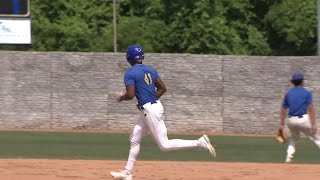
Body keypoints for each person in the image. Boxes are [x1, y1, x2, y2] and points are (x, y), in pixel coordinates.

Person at [110, 45, 216, 180]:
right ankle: (127, 173)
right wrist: (150, 99)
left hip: (150, 110)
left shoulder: (130, 73)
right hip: (151, 108)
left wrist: (120, 97)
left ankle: (199, 142)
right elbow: (163, 88)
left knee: (164, 145)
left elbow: (130, 94)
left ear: (128, 58)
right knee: (135, 137)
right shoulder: (150, 70)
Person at [279, 71, 320, 163]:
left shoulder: (288, 93)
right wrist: (314, 124)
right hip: (303, 120)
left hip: (291, 120)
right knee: (316, 138)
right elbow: (311, 108)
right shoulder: (306, 93)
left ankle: (289, 157)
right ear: (302, 81)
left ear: (292, 82)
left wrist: (281, 125)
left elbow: (284, 109)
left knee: (294, 139)